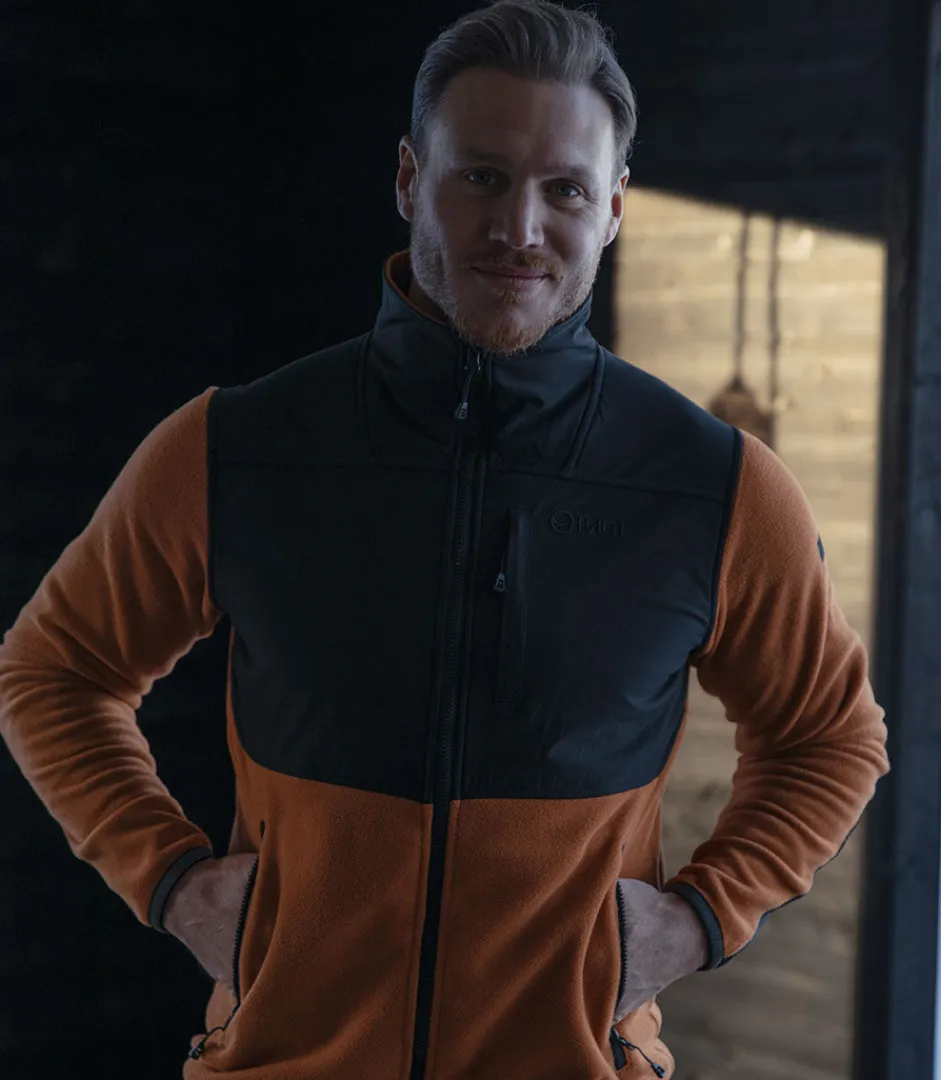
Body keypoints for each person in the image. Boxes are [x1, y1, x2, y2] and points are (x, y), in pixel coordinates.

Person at [0, 2, 889, 1077]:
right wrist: (172, 882)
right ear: (410, 179)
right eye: (482, 176)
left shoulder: (716, 486)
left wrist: (699, 919)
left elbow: (829, 740)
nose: (521, 227)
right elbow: (55, 671)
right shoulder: (237, 447)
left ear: (613, 207)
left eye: (565, 190)